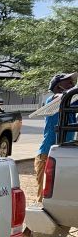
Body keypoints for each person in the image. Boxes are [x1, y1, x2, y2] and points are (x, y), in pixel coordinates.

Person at [35, 72, 77, 202]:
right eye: (68, 81)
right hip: (47, 154)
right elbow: (60, 97)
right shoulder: (53, 100)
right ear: (58, 85)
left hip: (63, 153)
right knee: (45, 195)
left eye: (72, 81)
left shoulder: (70, 102)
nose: (71, 83)